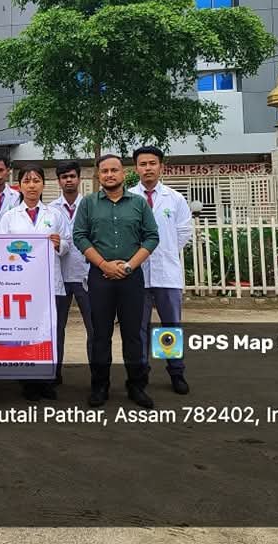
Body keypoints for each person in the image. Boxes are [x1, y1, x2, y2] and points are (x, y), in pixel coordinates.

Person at [73, 154, 159, 409]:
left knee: (133, 334)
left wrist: (129, 265)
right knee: (101, 334)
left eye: (114, 170)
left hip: (132, 278)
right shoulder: (88, 204)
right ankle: (100, 386)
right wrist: (104, 265)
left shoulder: (139, 203)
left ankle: (136, 386)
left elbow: (152, 237)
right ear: (98, 176)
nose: (109, 175)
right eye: (104, 171)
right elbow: (80, 236)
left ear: (123, 173)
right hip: (99, 278)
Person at [0, 164, 69, 401]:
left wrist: (59, 244)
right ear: (19, 186)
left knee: (49, 332)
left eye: (36, 181)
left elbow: (68, 244)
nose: (31, 186)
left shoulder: (55, 214)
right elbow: (0, 250)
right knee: (26, 332)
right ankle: (28, 381)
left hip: (49, 283)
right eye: (27, 181)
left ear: (43, 185)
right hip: (21, 285)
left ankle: (47, 380)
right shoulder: (9, 217)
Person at [130, 145, 193, 395]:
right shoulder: (128, 198)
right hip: (137, 274)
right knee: (138, 328)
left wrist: (164, 251)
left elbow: (183, 232)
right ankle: (141, 373)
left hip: (167, 273)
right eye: (143, 164)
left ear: (161, 167)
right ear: (136, 168)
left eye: (152, 163)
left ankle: (176, 372)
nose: (148, 168)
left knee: (170, 326)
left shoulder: (175, 198)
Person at [49, 161, 94, 376]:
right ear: (59, 181)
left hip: (86, 275)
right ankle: (54, 373)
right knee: (56, 328)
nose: (68, 180)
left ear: (79, 179)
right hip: (59, 276)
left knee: (94, 328)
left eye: (72, 176)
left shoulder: (91, 205)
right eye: (64, 177)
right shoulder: (50, 210)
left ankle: (97, 375)